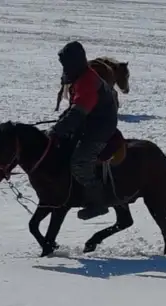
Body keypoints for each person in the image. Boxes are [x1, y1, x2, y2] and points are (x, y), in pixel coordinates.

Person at [47, 41, 118, 221]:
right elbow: (73, 108)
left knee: (80, 163)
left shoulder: (87, 81)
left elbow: (79, 112)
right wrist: (60, 123)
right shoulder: (79, 77)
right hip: (89, 121)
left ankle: (98, 202)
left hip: (100, 127)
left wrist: (58, 130)